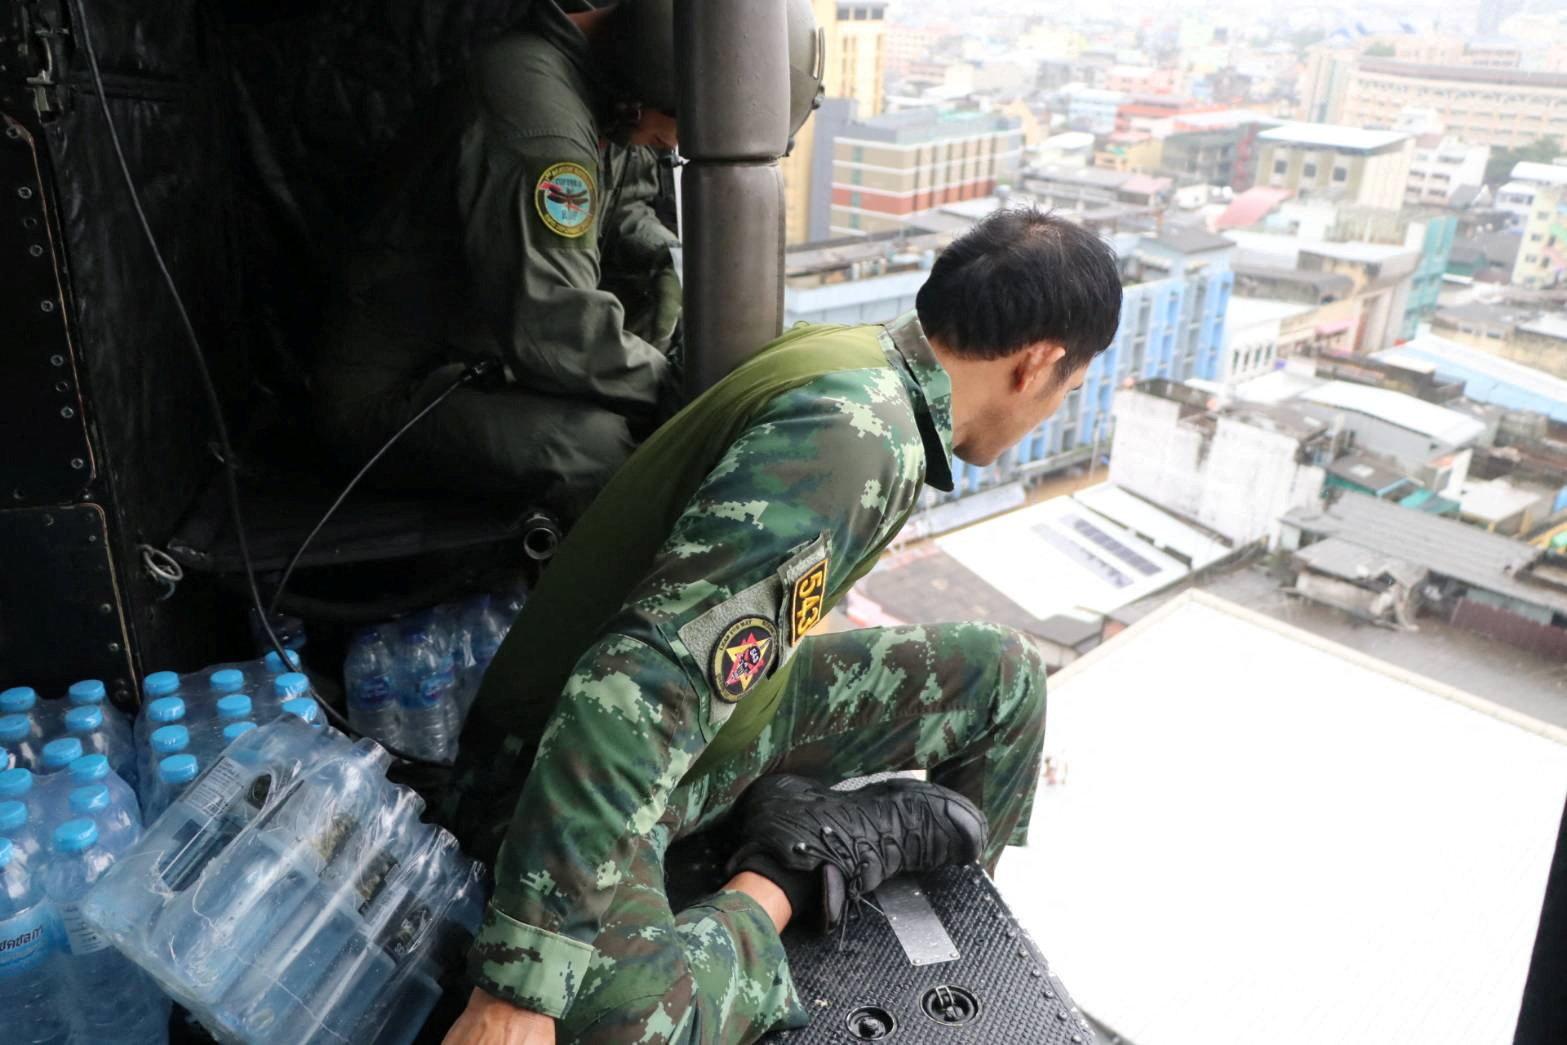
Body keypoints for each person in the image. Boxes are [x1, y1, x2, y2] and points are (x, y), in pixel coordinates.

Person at [440, 208, 1125, 1044]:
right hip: (552, 769)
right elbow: (641, 687)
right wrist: (517, 988)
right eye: (1069, 390)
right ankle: (789, 872)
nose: (1052, 410)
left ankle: (946, 944)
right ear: (1038, 363)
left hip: (729, 721)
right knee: (627, 1025)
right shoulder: (857, 437)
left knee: (1003, 680)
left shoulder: (851, 360)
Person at [313, 0, 818, 523]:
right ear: (656, 71)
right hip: (398, 391)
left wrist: (668, 266)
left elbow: (623, 207)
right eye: (679, 123)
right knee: (612, 455)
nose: (674, 142)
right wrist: (688, 394)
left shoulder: (607, 90)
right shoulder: (541, 125)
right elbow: (553, 324)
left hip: (485, 354)